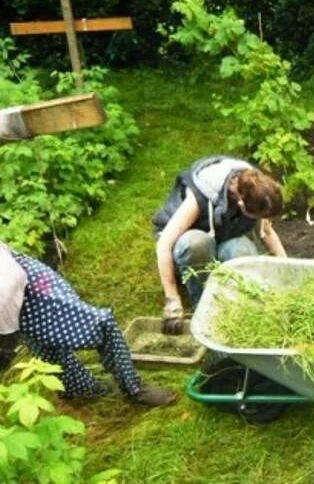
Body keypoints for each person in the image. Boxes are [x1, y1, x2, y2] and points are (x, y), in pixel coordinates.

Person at [0, 242, 176, 406]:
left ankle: (110, 388)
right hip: (11, 298)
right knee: (84, 332)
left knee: (86, 330)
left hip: (22, 277)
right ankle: (106, 389)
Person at [152, 155, 287, 334]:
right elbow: (164, 244)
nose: (264, 221)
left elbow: (267, 232)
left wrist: (287, 269)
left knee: (242, 251)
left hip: (223, 237)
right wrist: (172, 301)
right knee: (196, 244)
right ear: (241, 204)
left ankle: (234, 310)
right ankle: (203, 306)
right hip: (189, 245)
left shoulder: (256, 188)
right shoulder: (202, 195)